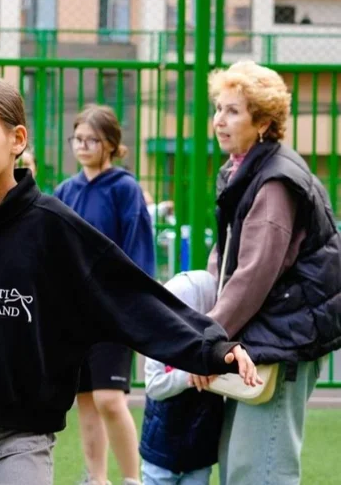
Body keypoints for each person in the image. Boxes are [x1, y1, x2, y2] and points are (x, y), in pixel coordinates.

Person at [0, 75, 260, 485]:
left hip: (19, 442)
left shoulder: (55, 229)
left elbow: (134, 296)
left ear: (16, 139)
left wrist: (211, 346)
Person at [191, 60, 341, 485]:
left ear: (263, 122)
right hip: (264, 337)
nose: (219, 120)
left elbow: (253, 274)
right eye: (218, 108)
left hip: (284, 339)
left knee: (260, 471)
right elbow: (225, 260)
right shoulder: (245, 170)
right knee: (240, 464)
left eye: (233, 111)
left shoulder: (275, 180)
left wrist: (207, 340)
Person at [54, 104, 154, 485]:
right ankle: (96, 479)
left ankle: (132, 479)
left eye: (91, 139)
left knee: (111, 399)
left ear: (110, 144)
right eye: (77, 139)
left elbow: (137, 252)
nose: (82, 146)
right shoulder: (65, 190)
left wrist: (130, 307)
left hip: (112, 312)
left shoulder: (125, 189)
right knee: (85, 401)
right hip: (74, 315)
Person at [140, 271, 224, 485]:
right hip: (160, 451)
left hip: (198, 451)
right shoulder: (159, 335)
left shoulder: (218, 344)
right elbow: (154, 385)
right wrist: (189, 373)